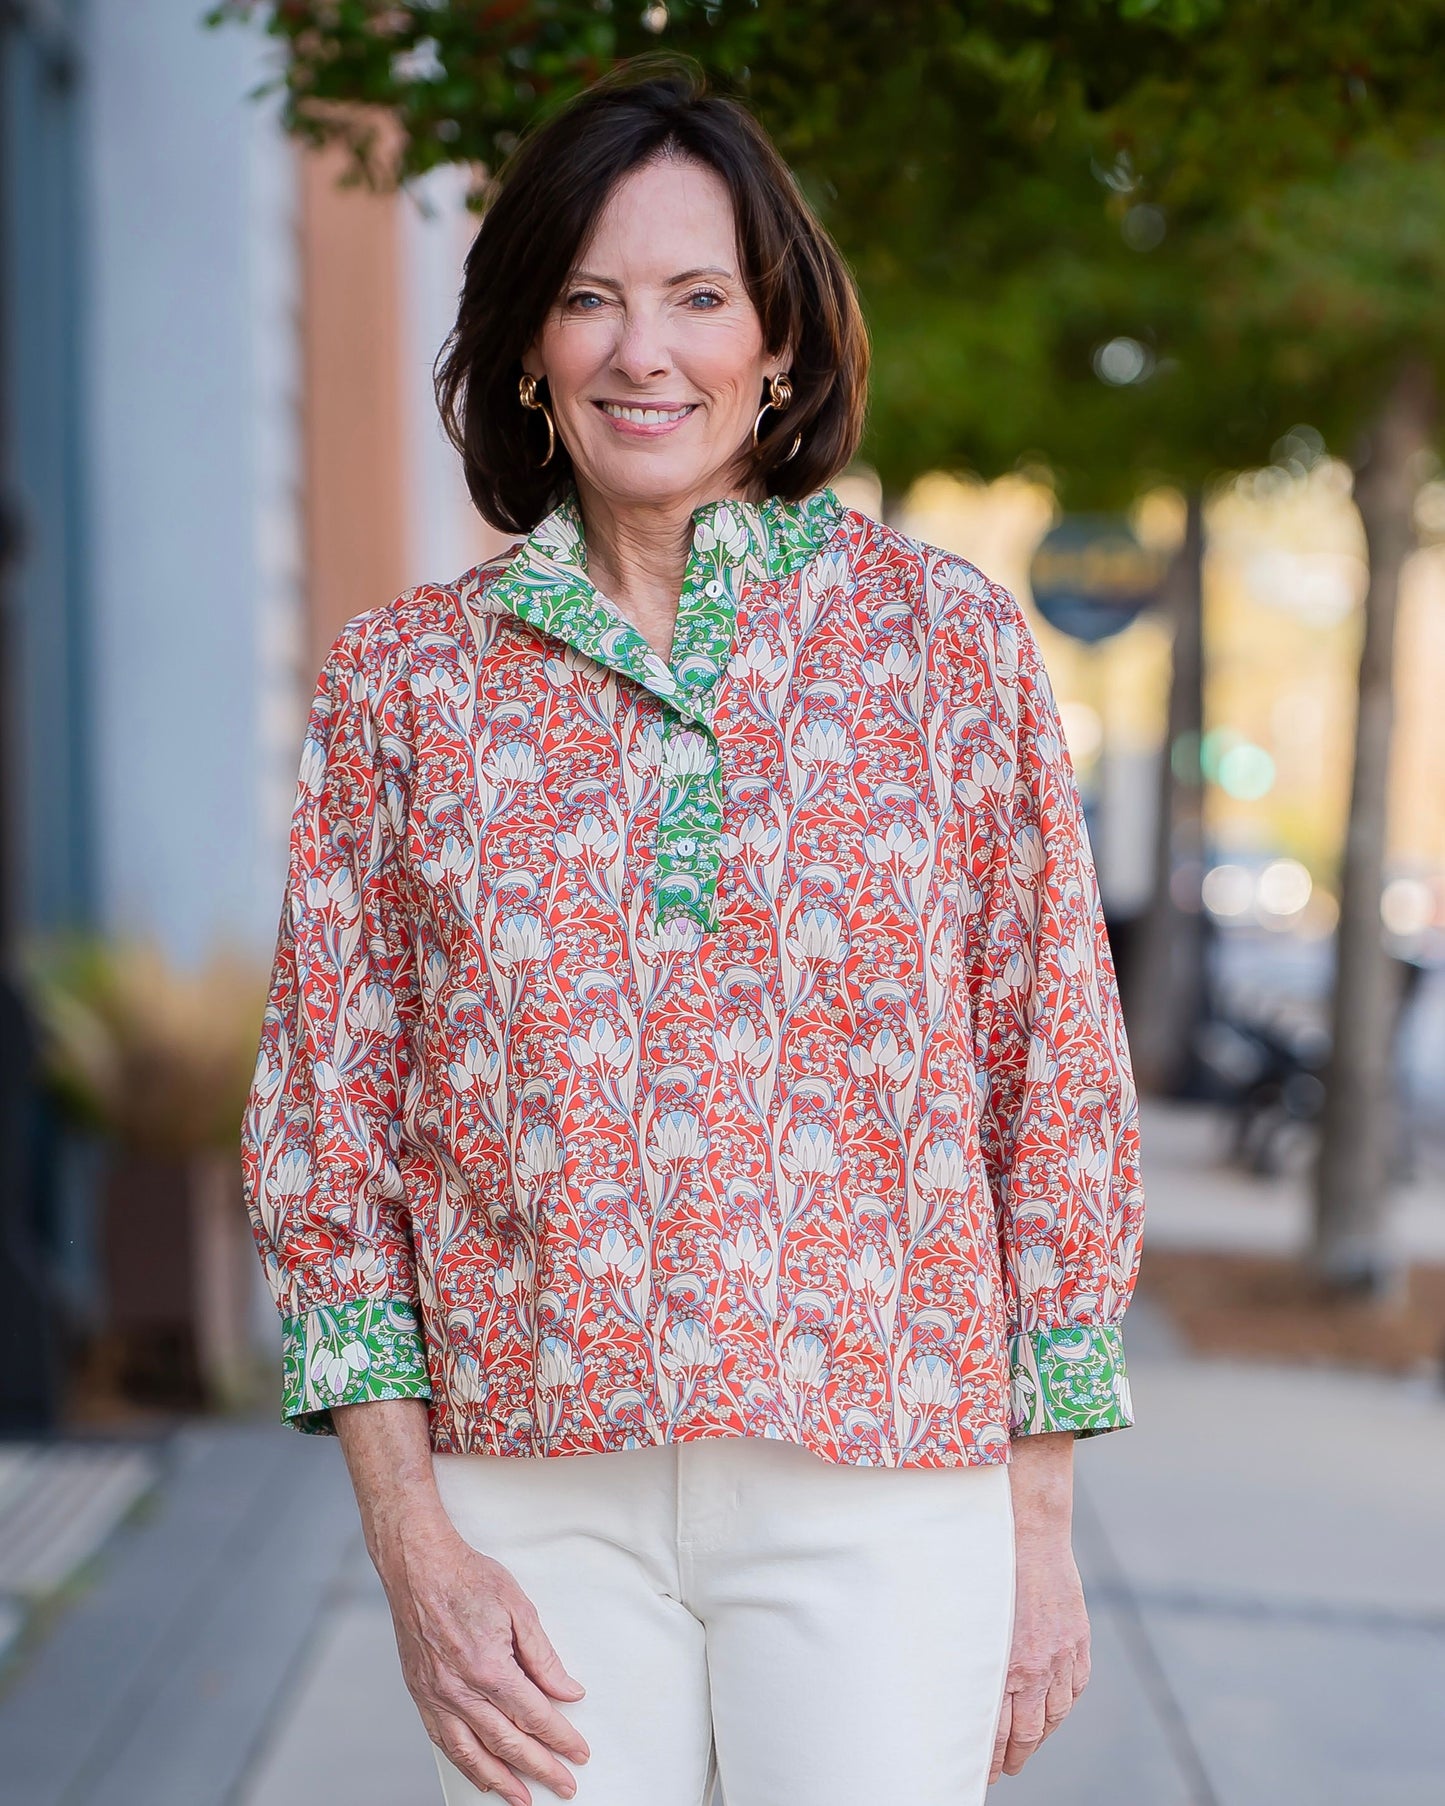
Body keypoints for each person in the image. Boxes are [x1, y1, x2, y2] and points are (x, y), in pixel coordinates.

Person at [241, 59, 1144, 1806]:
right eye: (587, 298)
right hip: (528, 1503)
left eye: (695, 297)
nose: (640, 350)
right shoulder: (399, 687)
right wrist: (411, 1537)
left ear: (780, 343)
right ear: (526, 347)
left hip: (887, 1490)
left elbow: (1061, 1094)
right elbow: (322, 1139)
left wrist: (1037, 1524)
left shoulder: (941, 649)